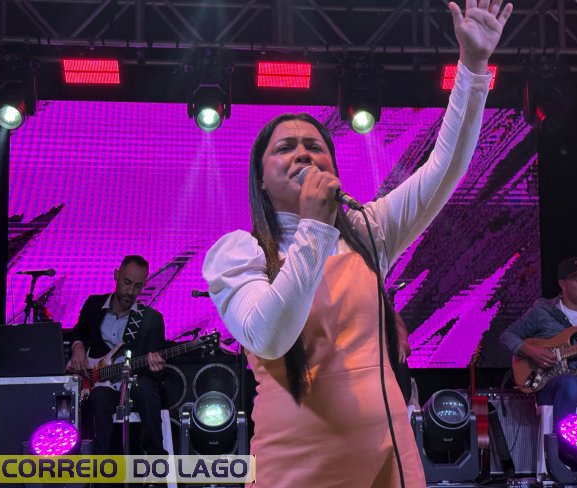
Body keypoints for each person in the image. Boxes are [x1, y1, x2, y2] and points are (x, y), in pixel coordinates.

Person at [203, 1, 512, 485]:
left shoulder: (368, 230)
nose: (303, 153)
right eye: (285, 148)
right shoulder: (239, 252)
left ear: (334, 166)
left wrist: (472, 67)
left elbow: (445, 167)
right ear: (261, 179)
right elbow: (269, 337)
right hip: (296, 467)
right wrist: (314, 228)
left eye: (315, 146)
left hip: (387, 460)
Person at [501, 256, 577, 455]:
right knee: (570, 383)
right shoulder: (542, 311)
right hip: (551, 383)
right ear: (562, 284)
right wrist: (533, 351)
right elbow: (508, 335)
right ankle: (562, 455)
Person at [68, 255, 167, 455]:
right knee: (99, 400)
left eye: (138, 286)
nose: (130, 291)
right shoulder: (94, 304)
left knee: (147, 391)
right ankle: (101, 468)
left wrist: (157, 368)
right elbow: (78, 332)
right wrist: (77, 346)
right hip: (97, 382)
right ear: (116, 275)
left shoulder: (152, 319)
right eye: (127, 282)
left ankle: (155, 460)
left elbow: (156, 375)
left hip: (132, 382)